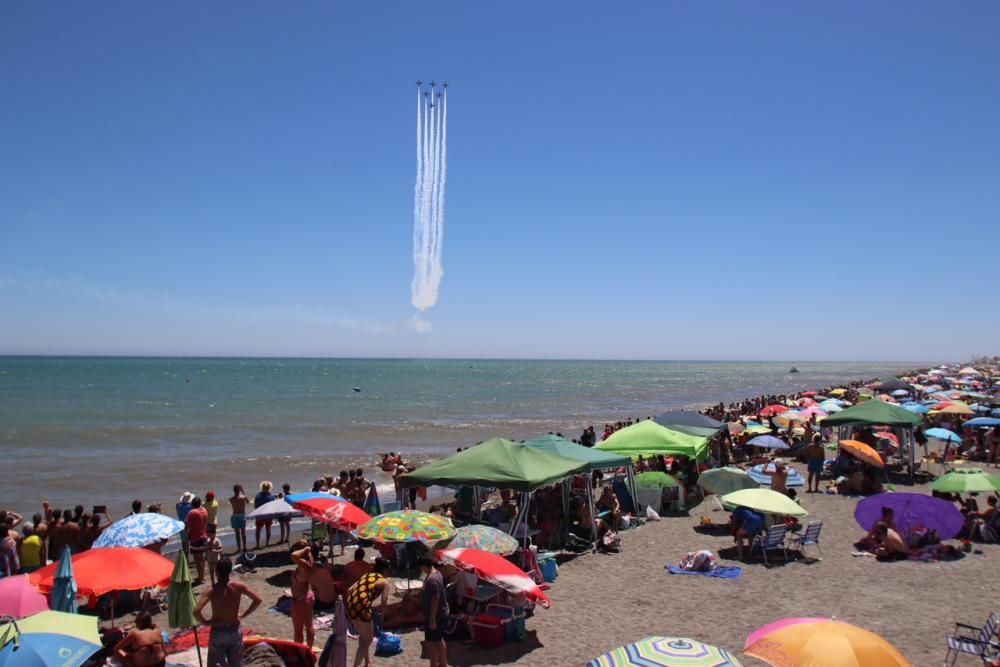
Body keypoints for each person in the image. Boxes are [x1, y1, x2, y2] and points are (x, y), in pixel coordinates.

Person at [194, 557, 263, 667]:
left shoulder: (212, 590)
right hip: (235, 629)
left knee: (215, 664)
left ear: (216, 571)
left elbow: (196, 611)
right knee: (236, 663)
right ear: (230, 570)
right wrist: (244, 615)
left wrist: (206, 622)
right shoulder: (238, 586)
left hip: (218, 630)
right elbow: (258, 600)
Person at [346, 558, 391, 667]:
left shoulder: (367, 575)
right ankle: (355, 665)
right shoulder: (384, 582)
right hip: (362, 607)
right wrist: (382, 617)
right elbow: (384, 602)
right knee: (368, 640)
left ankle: (367, 662)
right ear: (384, 570)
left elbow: (349, 590)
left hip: (350, 604)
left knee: (363, 636)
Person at [418, 557, 449, 667]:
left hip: (436, 615)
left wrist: (432, 619)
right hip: (441, 613)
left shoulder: (432, 579)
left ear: (424, 566)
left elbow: (435, 598)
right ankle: (443, 664)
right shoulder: (437, 573)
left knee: (431, 642)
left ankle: (435, 664)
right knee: (438, 639)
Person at [290, 541, 316, 650]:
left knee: (298, 629)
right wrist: (307, 549)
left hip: (300, 599)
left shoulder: (304, 565)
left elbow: (293, 556)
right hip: (307, 595)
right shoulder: (310, 559)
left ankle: (299, 652)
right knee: (309, 625)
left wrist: (305, 549)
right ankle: (309, 649)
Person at [186, 497, 209, 584]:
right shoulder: (204, 510)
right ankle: (201, 576)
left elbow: (187, 524)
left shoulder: (192, 512)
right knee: (202, 558)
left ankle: (200, 577)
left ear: (192, 504)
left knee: (197, 559)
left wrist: (186, 532)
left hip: (195, 537)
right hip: (203, 535)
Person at [253, 482, 275, 549]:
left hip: (260, 514)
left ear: (262, 487)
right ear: (269, 488)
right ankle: (267, 543)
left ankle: (257, 544)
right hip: (268, 515)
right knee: (268, 529)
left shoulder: (258, 495)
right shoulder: (271, 496)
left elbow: (255, 506)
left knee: (258, 530)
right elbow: (273, 506)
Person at [229, 485, 249, 553]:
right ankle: (245, 547)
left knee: (237, 533)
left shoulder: (231, 499)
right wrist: (243, 491)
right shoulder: (244, 497)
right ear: (239, 490)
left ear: (233, 490)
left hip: (235, 516)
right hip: (242, 516)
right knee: (243, 533)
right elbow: (248, 501)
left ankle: (239, 548)